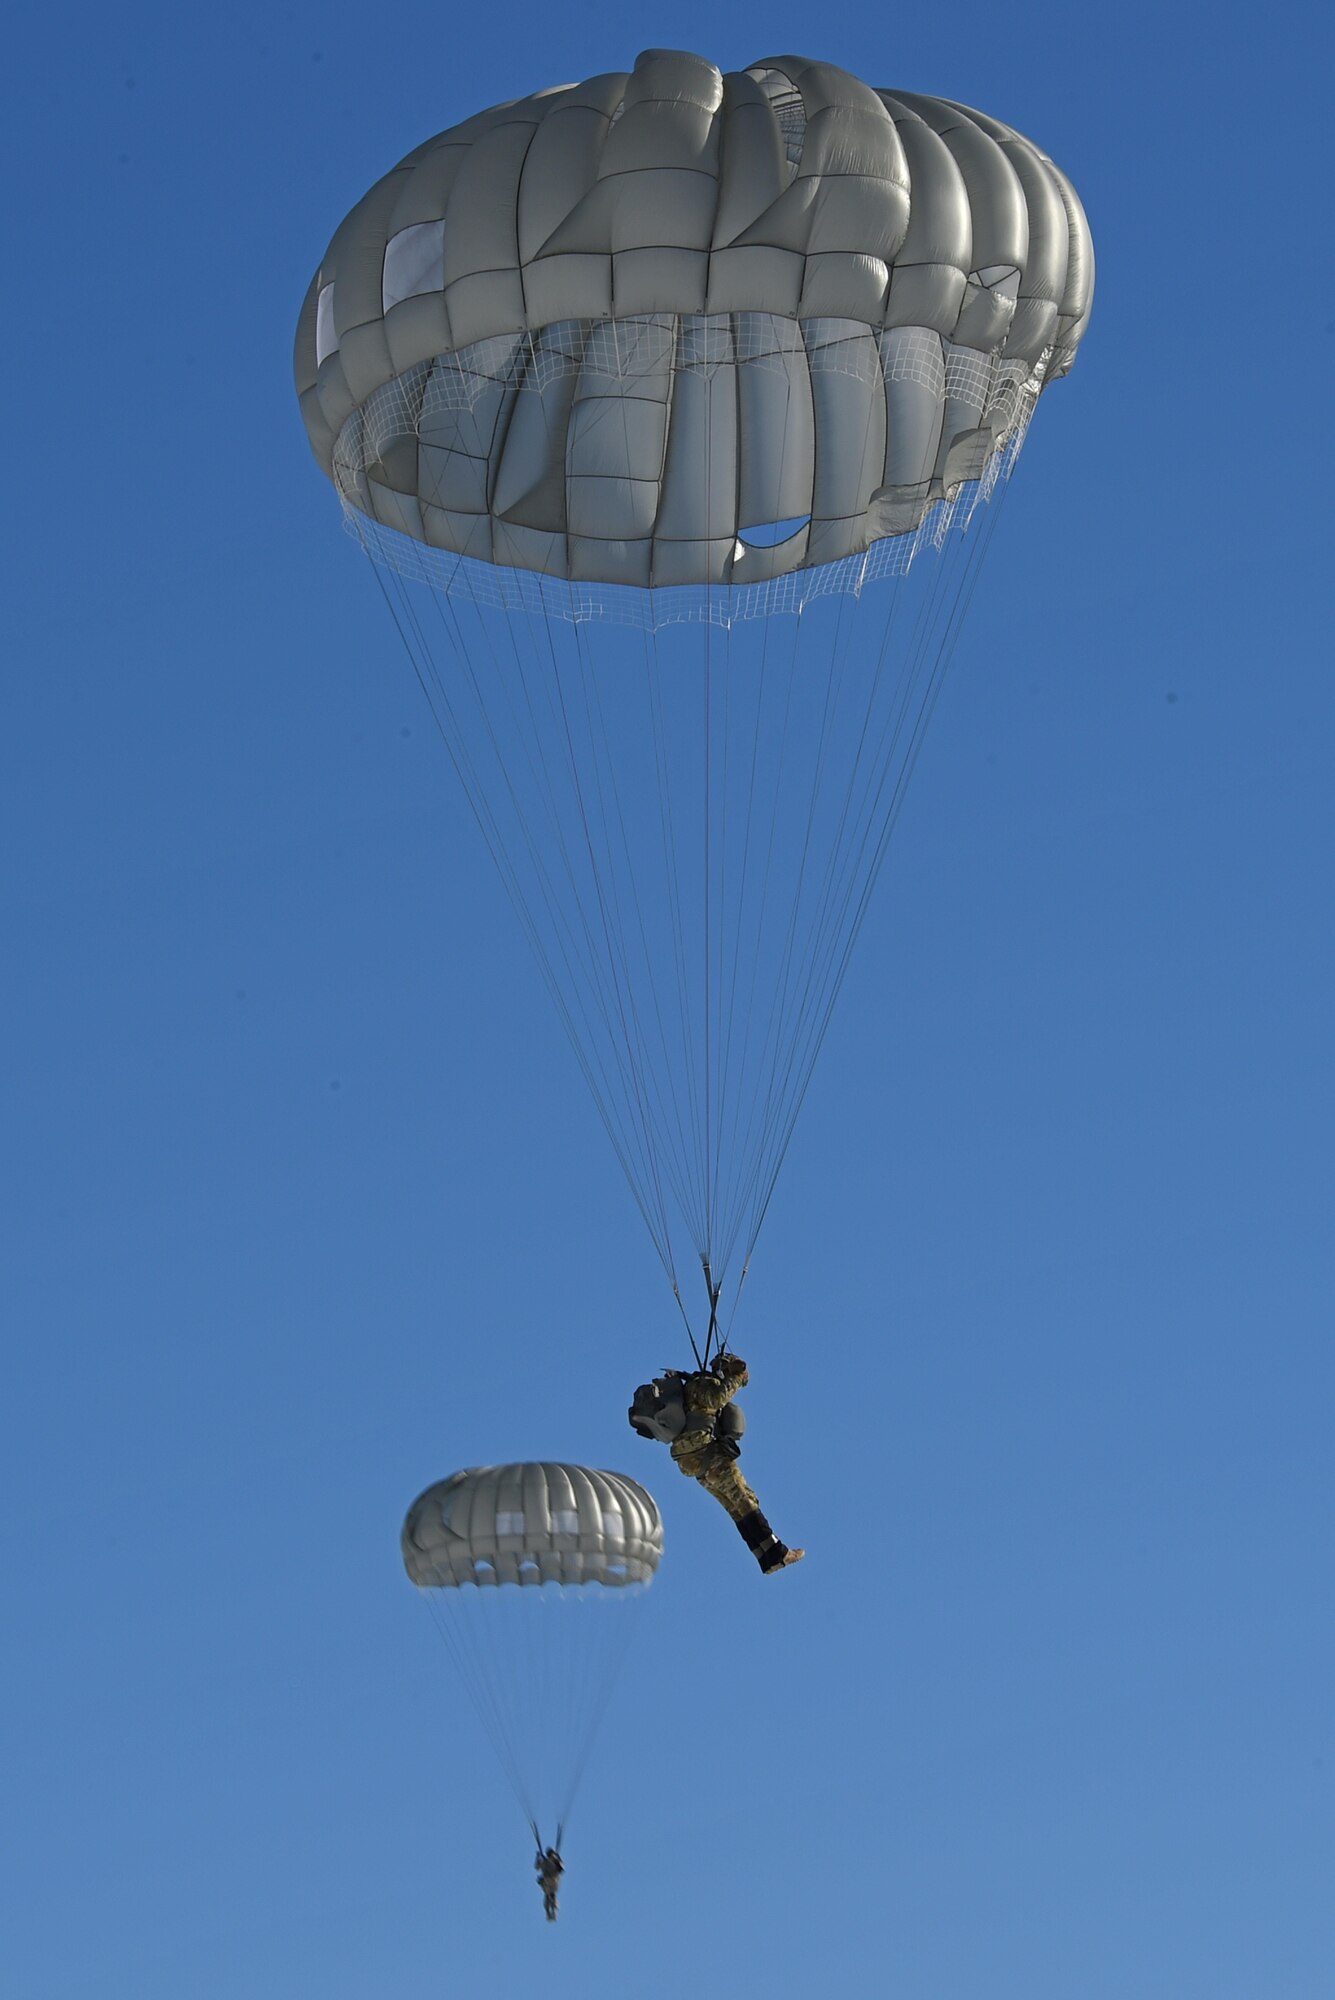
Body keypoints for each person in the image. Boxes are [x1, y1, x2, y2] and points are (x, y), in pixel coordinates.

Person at [656, 1353, 804, 1573]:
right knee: (745, 1498)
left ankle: (764, 1557)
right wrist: (737, 1380)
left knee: (734, 1506)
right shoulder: (701, 1384)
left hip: (693, 1462)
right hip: (705, 1453)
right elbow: (716, 1398)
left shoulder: (689, 1388)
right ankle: (779, 1553)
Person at [535, 1845, 564, 1921]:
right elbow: (537, 1867)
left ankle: (552, 1912)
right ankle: (550, 1913)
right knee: (549, 1895)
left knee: (550, 1895)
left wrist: (558, 1861)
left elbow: (561, 1869)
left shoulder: (553, 1861)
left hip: (551, 1882)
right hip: (550, 1882)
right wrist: (538, 1858)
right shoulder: (546, 1861)